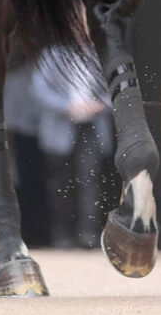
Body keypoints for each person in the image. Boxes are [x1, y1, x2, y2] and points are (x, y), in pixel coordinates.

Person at [32, 45, 115, 249]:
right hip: (61, 125)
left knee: (90, 180)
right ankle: (62, 235)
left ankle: (89, 233)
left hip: (92, 125)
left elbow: (116, 89)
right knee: (59, 182)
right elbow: (39, 89)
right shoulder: (51, 54)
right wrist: (68, 106)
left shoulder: (100, 54)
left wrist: (98, 105)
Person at [3, 44, 50, 248]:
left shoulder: (51, 78)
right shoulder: (15, 80)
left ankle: (47, 233)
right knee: (27, 188)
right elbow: (10, 120)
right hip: (24, 139)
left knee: (49, 186)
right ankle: (30, 234)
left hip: (48, 137)